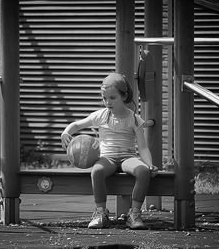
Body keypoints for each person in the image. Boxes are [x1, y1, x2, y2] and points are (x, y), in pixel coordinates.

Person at [60, 72, 158, 229]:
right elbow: (77, 125)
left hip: (127, 158)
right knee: (96, 171)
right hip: (108, 159)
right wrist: (66, 132)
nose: (107, 102)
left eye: (112, 98)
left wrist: (149, 164)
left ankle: (134, 214)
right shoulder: (101, 115)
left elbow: (143, 147)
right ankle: (101, 213)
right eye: (105, 98)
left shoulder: (134, 119)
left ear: (124, 96)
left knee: (143, 171)